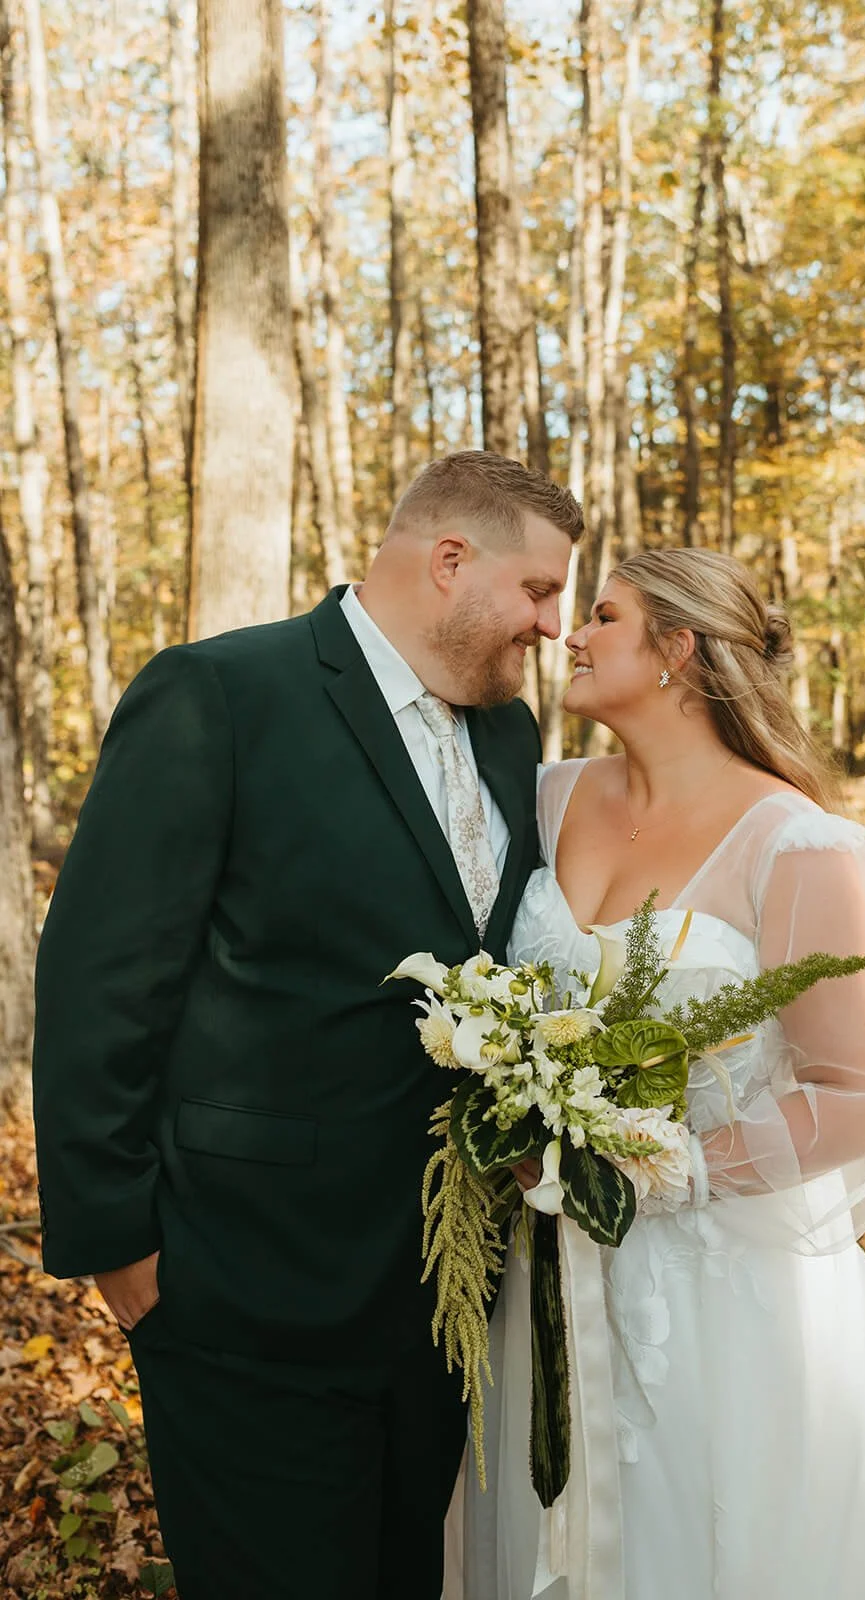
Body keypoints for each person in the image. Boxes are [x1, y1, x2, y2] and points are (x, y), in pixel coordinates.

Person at [457, 547, 865, 1598]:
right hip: (545, 1269)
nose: (573, 634)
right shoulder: (543, 799)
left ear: (675, 651)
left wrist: (672, 1166)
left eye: (603, 615)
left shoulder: (798, 845)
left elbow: (859, 1094)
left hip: (719, 1289)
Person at [32, 450, 581, 1600]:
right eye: (537, 591)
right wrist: (116, 1238)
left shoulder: (506, 737)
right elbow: (101, 978)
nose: (548, 626)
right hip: (243, 1284)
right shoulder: (222, 693)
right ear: (448, 561)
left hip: (439, 1296)